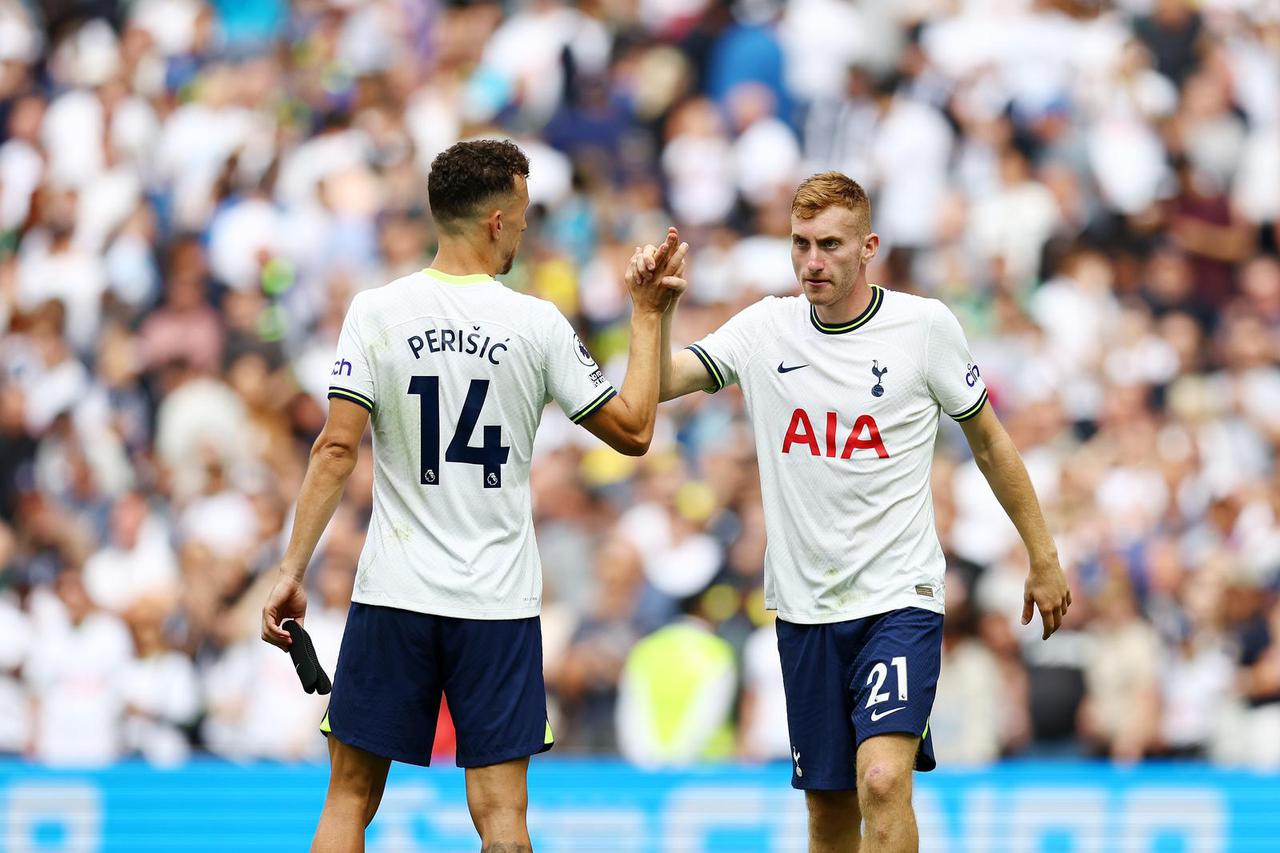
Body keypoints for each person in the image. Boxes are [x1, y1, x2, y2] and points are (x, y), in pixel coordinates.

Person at [260, 139, 686, 853]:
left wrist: (291, 569)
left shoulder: (377, 311)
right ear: (494, 221)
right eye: (520, 216)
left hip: (395, 589)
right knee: (502, 818)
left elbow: (335, 448)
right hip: (496, 600)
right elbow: (636, 429)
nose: (525, 230)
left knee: (349, 799)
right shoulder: (537, 324)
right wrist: (646, 315)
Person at [648, 172, 1070, 853]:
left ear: (868, 246)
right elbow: (663, 381)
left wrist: (1043, 554)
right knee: (830, 810)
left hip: (898, 596)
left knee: (880, 777)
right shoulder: (765, 328)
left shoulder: (922, 326)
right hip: (805, 605)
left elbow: (989, 439)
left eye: (831, 245)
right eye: (801, 244)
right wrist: (656, 308)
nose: (812, 261)